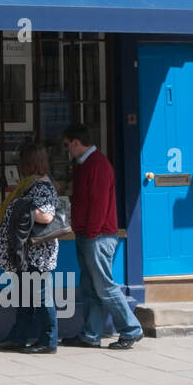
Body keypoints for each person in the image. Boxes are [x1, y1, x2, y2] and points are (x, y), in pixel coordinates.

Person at [60, 123, 143, 349]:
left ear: (76, 142)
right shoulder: (86, 164)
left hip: (97, 237)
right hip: (90, 235)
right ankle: (91, 333)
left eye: (67, 144)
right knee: (90, 287)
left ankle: (131, 329)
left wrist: (91, 233)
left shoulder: (97, 165)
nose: (66, 149)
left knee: (104, 286)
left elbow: (99, 203)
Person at [0, 140, 62, 353]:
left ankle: (49, 340)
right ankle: (18, 337)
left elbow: (47, 216)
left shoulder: (43, 185)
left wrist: (23, 206)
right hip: (26, 253)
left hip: (37, 253)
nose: (20, 166)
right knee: (25, 297)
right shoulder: (31, 184)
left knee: (40, 296)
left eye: (22, 162)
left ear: (31, 163)